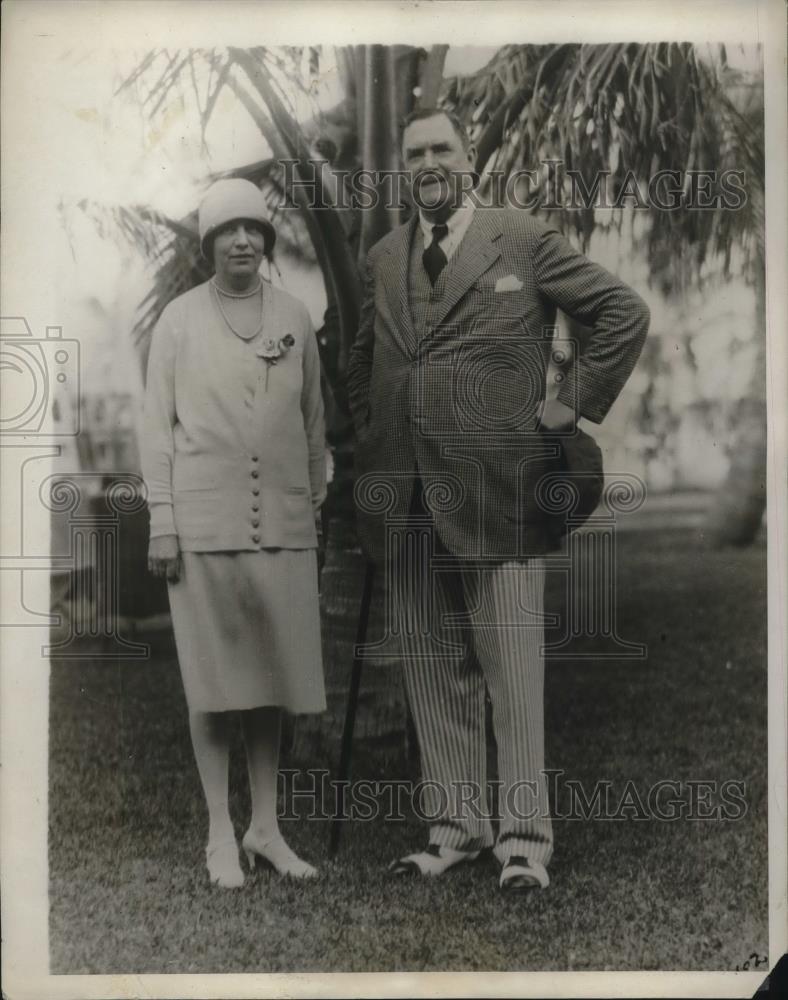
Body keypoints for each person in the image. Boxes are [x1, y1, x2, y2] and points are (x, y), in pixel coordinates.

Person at [346, 107, 650, 892]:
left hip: (500, 494)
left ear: (470, 157)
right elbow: (361, 362)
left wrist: (569, 403)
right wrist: (374, 438)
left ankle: (524, 841)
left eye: (442, 148)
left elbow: (622, 313)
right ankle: (455, 829)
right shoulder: (383, 257)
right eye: (415, 152)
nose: (428, 162)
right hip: (407, 497)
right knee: (431, 669)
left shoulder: (522, 238)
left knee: (512, 676)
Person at [142, 178, 327, 888]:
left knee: (270, 680)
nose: (242, 241)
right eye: (228, 231)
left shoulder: (294, 315)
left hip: (282, 522)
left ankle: (266, 827)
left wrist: (311, 501)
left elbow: (313, 420)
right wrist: (163, 522)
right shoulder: (179, 321)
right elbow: (156, 428)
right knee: (212, 682)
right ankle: (221, 831)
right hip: (203, 526)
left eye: (253, 230)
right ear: (210, 244)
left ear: (266, 241)